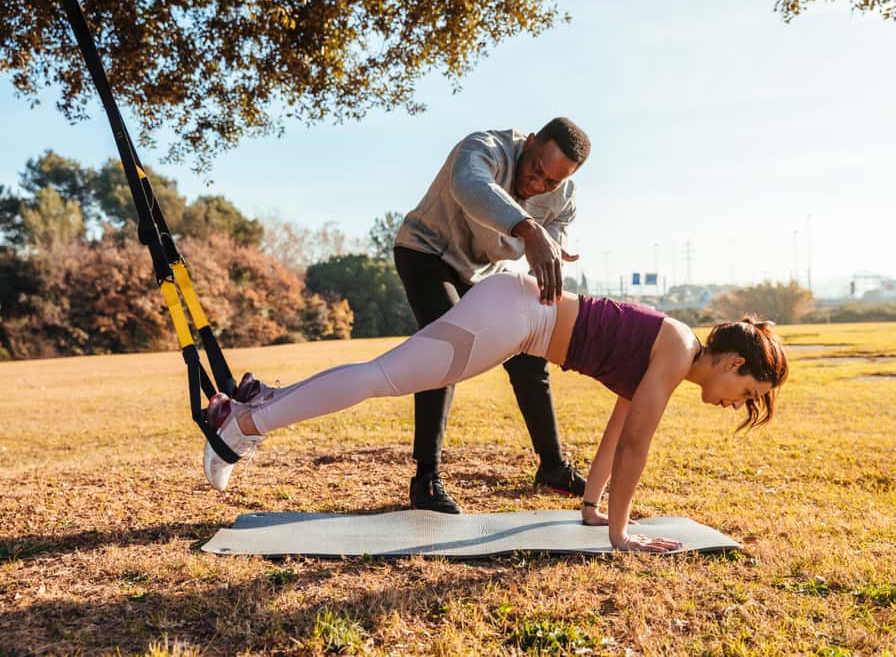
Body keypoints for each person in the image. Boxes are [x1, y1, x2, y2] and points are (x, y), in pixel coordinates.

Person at [203, 273, 788, 551]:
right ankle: (247, 421)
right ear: (732, 362)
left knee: (383, 376)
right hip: (515, 317)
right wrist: (621, 534)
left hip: (515, 318)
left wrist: (592, 508)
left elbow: (617, 433)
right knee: (383, 378)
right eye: (748, 391)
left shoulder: (671, 356)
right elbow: (637, 445)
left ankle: (258, 407)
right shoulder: (678, 348)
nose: (738, 403)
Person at [392, 117, 592, 514]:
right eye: (535, 170)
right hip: (427, 252)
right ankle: (426, 479)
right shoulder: (484, 147)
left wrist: (553, 252)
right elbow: (470, 187)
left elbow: (560, 232)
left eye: (549, 182)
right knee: (442, 350)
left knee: (529, 355)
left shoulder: (563, 194)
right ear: (530, 142)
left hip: (483, 271)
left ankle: (552, 468)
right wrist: (530, 229)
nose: (537, 185)